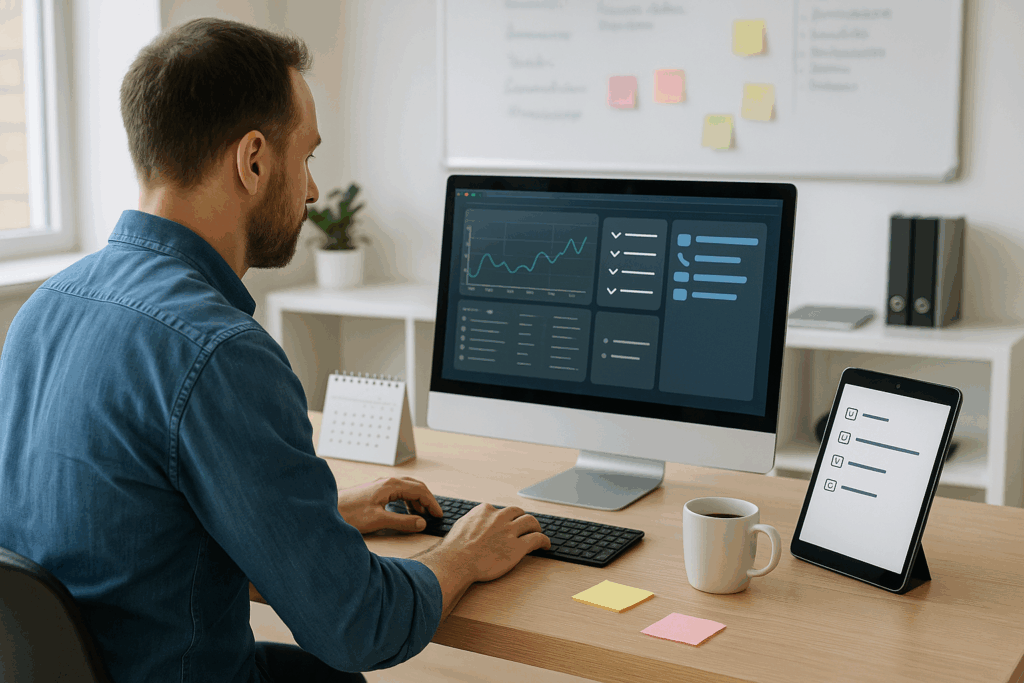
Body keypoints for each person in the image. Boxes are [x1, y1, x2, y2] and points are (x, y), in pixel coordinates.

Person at [0, 17, 550, 683]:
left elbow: (124, 525)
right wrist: (462, 553)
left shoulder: (45, 308)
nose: (314, 191)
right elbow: (358, 624)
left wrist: (323, 518)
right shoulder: (218, 352)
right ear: (254, 159)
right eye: (308, 157)